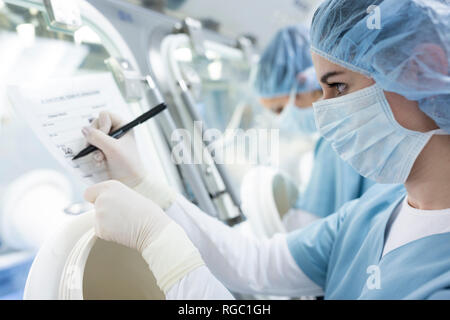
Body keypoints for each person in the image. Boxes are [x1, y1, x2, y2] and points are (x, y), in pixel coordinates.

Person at [82, 0, 450, 299]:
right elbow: (256, 265)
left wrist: (159, 244)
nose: (322, 114)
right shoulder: (377, 210)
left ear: (424, 68)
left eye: (338, 87)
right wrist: (143, 185)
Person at [250, 25, 376, 231]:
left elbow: (310, 229)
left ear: (307, 85)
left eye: (280, 109)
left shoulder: (338, 139)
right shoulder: (350, 129)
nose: (282, 119)